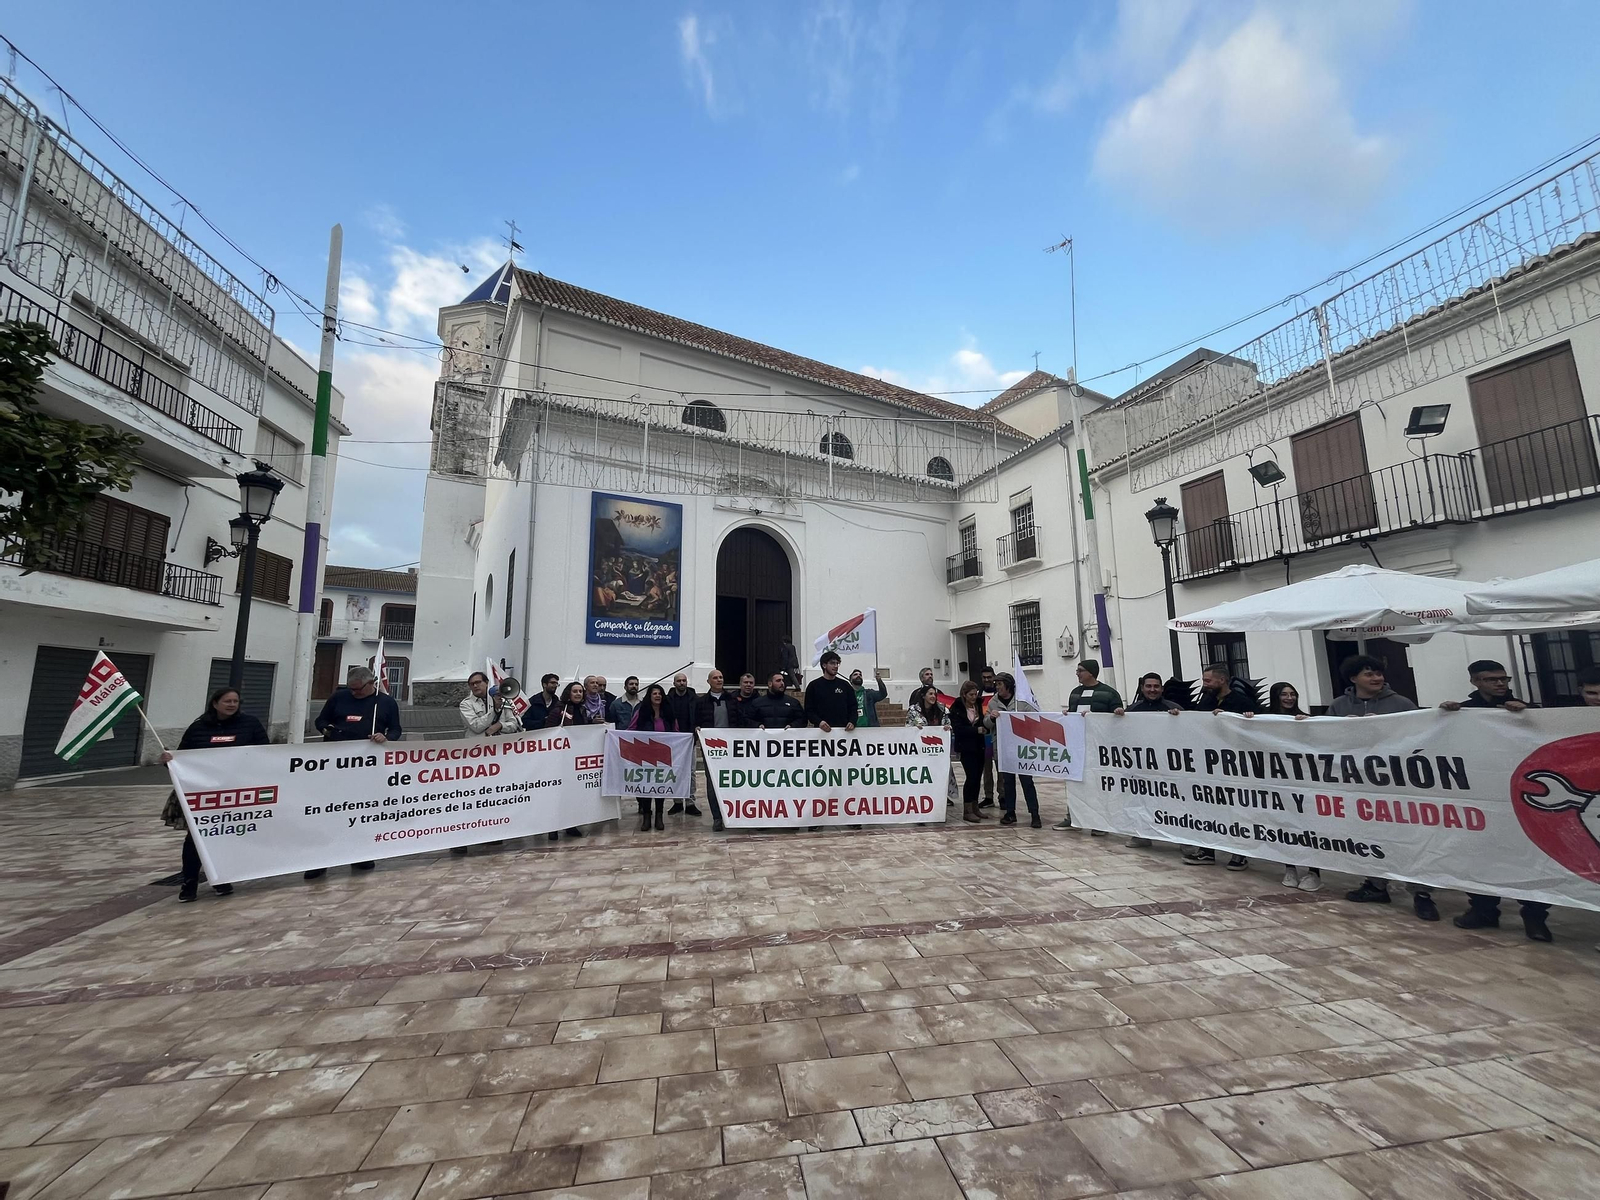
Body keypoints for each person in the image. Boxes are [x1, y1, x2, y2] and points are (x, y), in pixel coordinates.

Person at [1439, 660, 1548, 941]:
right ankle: (1483, 909)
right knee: (1479, 854)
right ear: (1475, 681)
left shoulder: (1525, 709)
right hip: (1480, 794)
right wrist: (1443, 715)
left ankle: (1535, 914)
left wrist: (1526, 714)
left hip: (1521, 795)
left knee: (1530, 856)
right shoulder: (1464, 711)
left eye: (1504, 679)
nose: (1500, 684)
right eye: (1492, 679)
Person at [1330, 655, 1436, 921]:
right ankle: (1376, 884)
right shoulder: (1339, 705)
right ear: (1353, 678)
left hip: (1398, 783)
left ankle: (1422, 893)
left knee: (1409, 837)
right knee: (1369, 835)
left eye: (1378, 673)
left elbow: (1420, 736)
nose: (1376, 678)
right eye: (1369, 674)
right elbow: (1326, 739)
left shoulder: (1401, 704)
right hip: (1359, 783)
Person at [161, 686, 267, 902]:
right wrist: (169, 760)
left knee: (226, 834)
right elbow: (182, 758)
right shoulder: (198, 727)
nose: (232, 705)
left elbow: (265, 753)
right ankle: (189, 881)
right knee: (196, 837)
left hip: (235, 791)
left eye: (235, 701)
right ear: (215, 703)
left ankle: (221, 878)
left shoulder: (250, 724)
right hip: (202, 792)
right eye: (227, 701)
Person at [307, 666, 398, 878]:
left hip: (367, 766)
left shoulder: (386, 703)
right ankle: (320, 859)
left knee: (360, 810)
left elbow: (396, 729)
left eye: (358, 689)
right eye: (351, 689)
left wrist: (386, 738)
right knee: (329, 810)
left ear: (371, 683)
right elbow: (320, 721)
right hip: (335, 764)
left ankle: (360, 854)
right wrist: (327, 730)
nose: (354, 693)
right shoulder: (338, 698)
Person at [1113, 672, 1183, 846]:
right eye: (1149, 686)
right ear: (1142, 688)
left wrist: (1179, 719)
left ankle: (1183, 840)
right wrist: (1118, 717)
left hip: (1168, 766)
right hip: (1142, 766)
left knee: (1175, 802)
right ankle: (1142, 834)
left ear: (1162, 688)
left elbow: (1187, 732)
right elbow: (1120, 732)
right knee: (1141, 801)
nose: (1152, 690)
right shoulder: (1133, 710)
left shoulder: (1175, 708)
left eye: (1156, 686)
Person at [1262, 682, 1319, 891]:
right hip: (1278, 781)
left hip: (1303, 782)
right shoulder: (1264, 719)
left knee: (1309, 826)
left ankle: (1314, 872)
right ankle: (1290, 868)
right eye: (1284, 694)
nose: (1289, 698)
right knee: (1285, 825)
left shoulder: (1305, 718)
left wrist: (1307, 725)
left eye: (1292, 694)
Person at [1056, 661, 1123, 831]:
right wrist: (1067, 715)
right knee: (1074, 782)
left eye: (1080, 670)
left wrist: (1117, 712)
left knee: (1097, 785)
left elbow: (1117, 716)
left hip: (1099, 747)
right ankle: (1073, 817)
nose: (1077, 673)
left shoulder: (1109, 693)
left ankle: (1099, 823)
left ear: (1091, 673)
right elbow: (1073, 715)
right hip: (1077, 746)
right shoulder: (1075, 693)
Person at [985, 672, 1041, 828]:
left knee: (1027, 782)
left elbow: (1036, 717)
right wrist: (991, 718)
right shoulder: (993, 702)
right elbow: (986, 723)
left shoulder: (1022, 700)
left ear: (1008, 685)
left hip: (1022, 748)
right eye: (996, 684)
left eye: (1000, 684)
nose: (997, 687)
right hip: (1003, 748)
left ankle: (1034, 813)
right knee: (1007, 782)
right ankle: (1010, 812)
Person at [541, 682, 591, 841]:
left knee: (573, 793)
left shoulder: (583, 710)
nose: (578, 694)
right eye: (575, 691)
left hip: (576, 758)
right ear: (568, 693)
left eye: (580, 691)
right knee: (557, 795)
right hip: (560, 759)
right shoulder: (559, 710)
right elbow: (548, 731)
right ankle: (553, 827)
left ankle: (571, 824)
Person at [627, 684, 681, 831]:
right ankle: (646, 815)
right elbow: (630, 730)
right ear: (649, 697)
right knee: (646, 787)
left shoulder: (669, 713)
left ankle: (659, 815)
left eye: (660, 693)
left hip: (663, 757)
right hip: (645, 756)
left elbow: (676, 732)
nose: (657, 696)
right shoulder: (641, 712)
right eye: (654, 693)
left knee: (660, 786)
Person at [694, 669, 737, 831]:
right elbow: (696, 721)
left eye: (721, 677)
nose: (719, 680)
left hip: (732, 748)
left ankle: (731, 814)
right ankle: (717, 817)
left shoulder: (732, 700)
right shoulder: (701, 702)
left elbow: (739, 720)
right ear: (708, 682)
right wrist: (697, 729)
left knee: (732, 781)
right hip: (711, 750)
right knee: (712, 783)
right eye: (715, 678)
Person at [949, 681, 988, 824]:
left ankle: (975, 805)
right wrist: (975, 730)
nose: (974, 697)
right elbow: (958, 728)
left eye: (975, 694)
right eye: (971, 695)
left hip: (979, 745)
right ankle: (967, 809)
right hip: (966, 747)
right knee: (971, 776)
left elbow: (982, 721)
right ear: (964, 695)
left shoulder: (978, 705)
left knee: (977, 777)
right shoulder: (957, 708)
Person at [805, 651, 857, 732]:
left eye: (837, 663)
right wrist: (819, 722)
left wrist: (852, 721)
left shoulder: (845, 685)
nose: (836, 666)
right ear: (824, 665)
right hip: (821, 732)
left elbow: (853, 707)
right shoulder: (813, 686)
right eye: (832, 663)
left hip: (844, 732)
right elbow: (809, 710)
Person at [1194, 665, 1259, 715]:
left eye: (1208, 681)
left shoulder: (1243, 702)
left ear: (1222, 680)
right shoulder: (1205, 701)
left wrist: (1226, 715)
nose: (1204, 685)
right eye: (1204, 681)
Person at [459, 671, 506, 737]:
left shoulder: (499, 699)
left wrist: (501, 726)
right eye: (472, 684)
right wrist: (494, 710)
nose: (475, 686)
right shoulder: (465, 704)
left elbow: (514, 724)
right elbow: (476, 727)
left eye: (478, 682)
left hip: (500, 742)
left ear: (486, 683)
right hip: (477, 743)